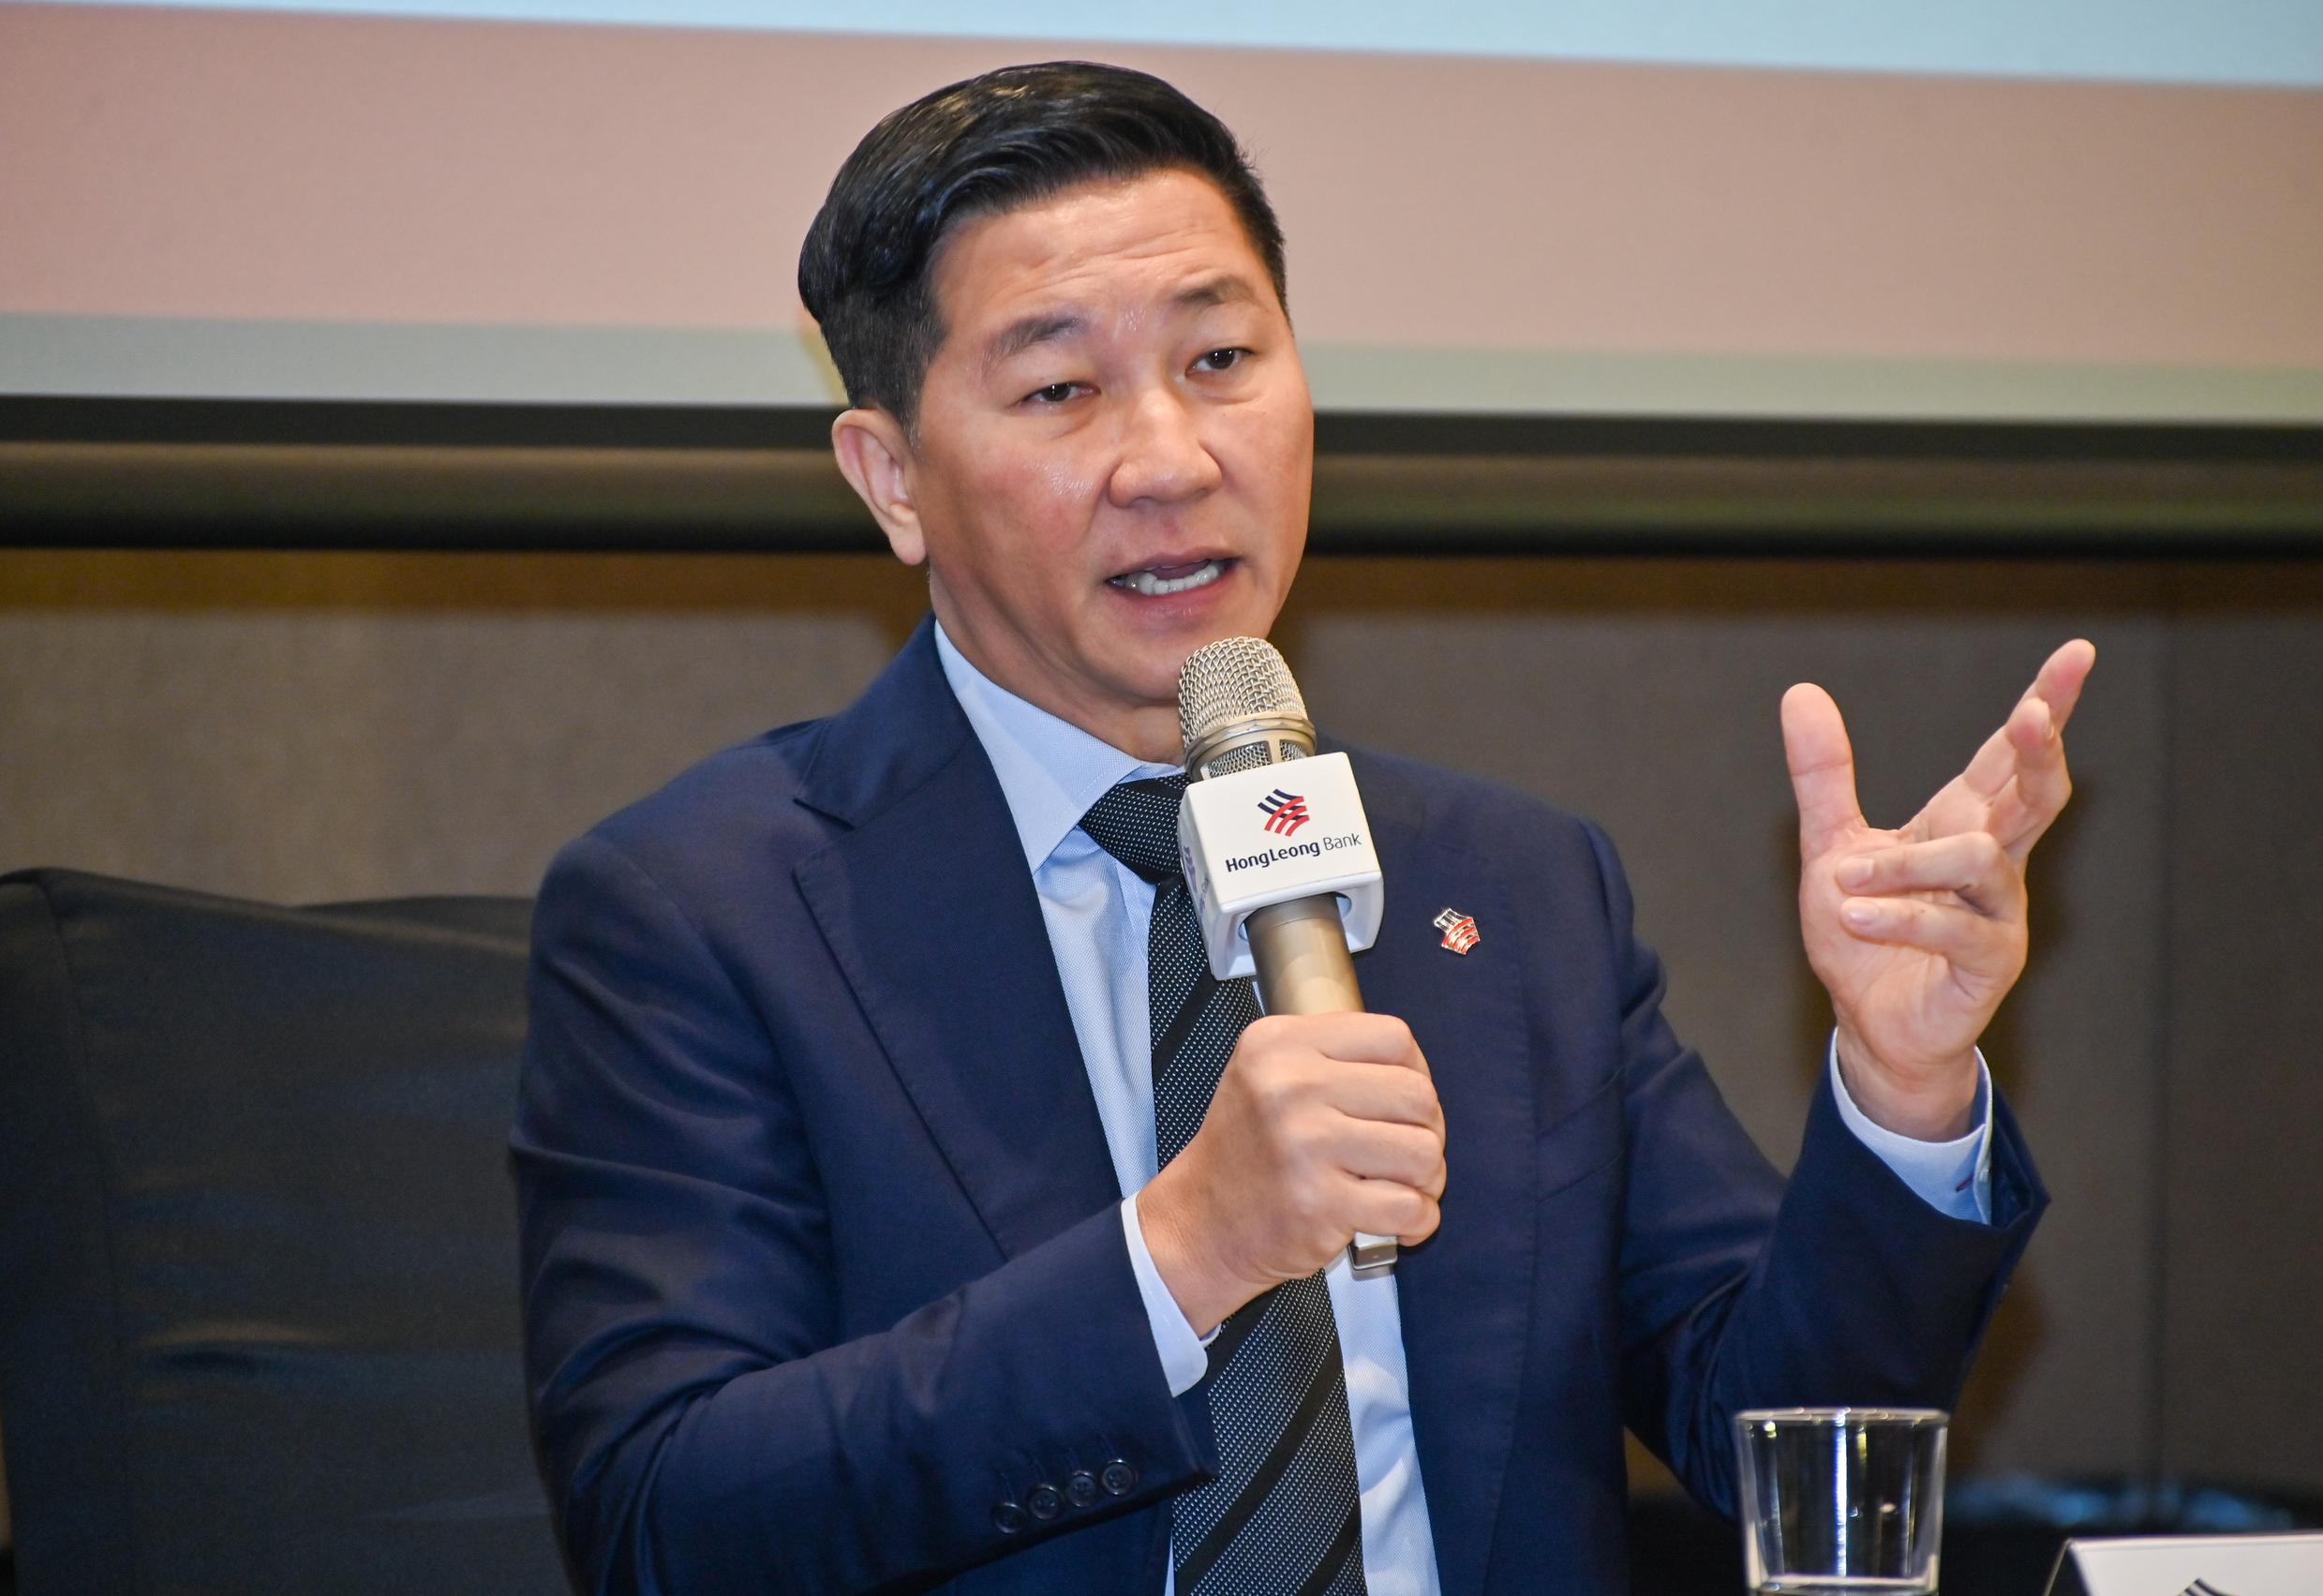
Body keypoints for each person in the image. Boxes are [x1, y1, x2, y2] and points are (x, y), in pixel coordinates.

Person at [511, 60, 2095, 1596]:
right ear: (891, 481)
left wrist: (1904, 1086)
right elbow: (665, 1520)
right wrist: (1180, 1258)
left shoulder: (1513, 885)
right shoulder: (706, 909)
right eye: (1059, 390)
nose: (1172, 460)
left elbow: (1786, 1442)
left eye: (1221, 360)